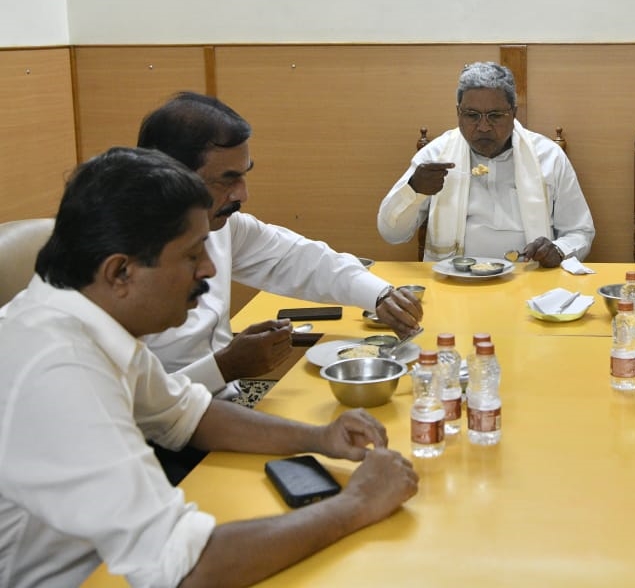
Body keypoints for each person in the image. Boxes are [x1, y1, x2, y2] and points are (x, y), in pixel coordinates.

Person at [0, 147, 419, 588]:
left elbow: (189, 416)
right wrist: (357, 504)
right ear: (120, 272)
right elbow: (188, 569)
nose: (211, 268)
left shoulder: (89, 320)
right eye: (192, 254)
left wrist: (320, 438)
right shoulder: (57, 370)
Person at [136, 92, 423, 401]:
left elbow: (295, 257)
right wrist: (224, 367)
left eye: (244, 175)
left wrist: (379, 295)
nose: (242, 195)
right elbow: (130, 404)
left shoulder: (220, 226)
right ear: (171, 176)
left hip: (222, 408)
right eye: (227, 180)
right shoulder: (117, 264)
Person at [377, 61, 595, 267]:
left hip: (530, 282)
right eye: (472, 115)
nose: (483, 127)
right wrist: (414, 190)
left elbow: (580, 231)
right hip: (455, 282)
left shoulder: (548, 156)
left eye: (495, 115)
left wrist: (558, 250)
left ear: (514, 113)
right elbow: (391, 232)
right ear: (458, 113)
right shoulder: (437, 156)